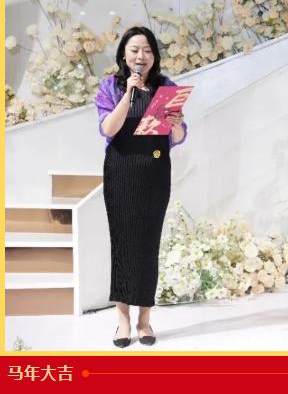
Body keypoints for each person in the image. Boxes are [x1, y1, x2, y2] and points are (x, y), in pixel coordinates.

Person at [95, 26, 187, 348]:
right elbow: (108, 129)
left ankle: (144, 320)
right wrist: (128, 94)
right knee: (122, 244)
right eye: (135, 50)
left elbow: (178, 138)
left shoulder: (166, 87)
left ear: (154, 56)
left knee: (149, 245)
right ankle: (122, 320)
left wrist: (177, 125)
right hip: (121, 171)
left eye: (147, 50)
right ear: (124, 54)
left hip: (155, 172)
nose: (141, 56)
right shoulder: (111, 87)